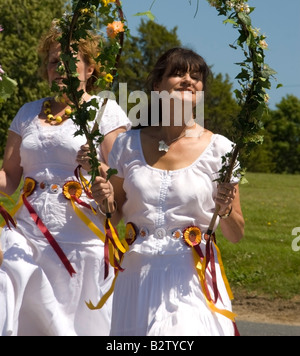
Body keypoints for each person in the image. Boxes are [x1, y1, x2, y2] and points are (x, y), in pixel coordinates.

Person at [91, 47, 245, 336]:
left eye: (196, 76)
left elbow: (235, 234)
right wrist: (104, 202)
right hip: (137, 275)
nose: (188, 79)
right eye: (178, 73)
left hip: (191, 277)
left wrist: (224, 210)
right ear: (157, 86)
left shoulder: (221, 149)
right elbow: (112, 219)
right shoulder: (127, 144)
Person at [0, 21, 131, 336]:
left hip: (80, 238)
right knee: (9, 278)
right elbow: (9, 179)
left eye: (71, 62)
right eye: (54, 62)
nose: (61, 68)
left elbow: (122, 183)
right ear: (45, 70)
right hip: (26, 233)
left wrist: (98, 166)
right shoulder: (27, 114)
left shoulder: (105, 111)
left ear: (90, 69)